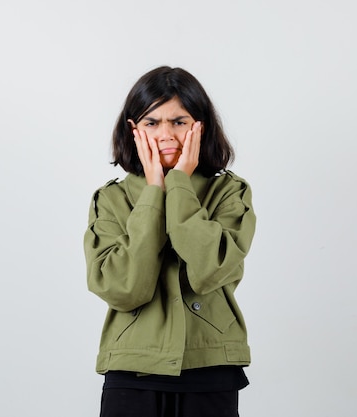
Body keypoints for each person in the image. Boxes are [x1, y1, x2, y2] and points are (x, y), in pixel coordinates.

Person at [83, 66, 256, 417]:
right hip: (132, 369)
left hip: (210, 366)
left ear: (200, 126)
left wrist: (178, 183)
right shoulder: (111, 200)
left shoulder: (230, 192)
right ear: (133, 129)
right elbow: (123, 289)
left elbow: (209, 271)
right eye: (152, 122)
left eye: (179, 121)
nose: (166, 134)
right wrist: (153, 192)